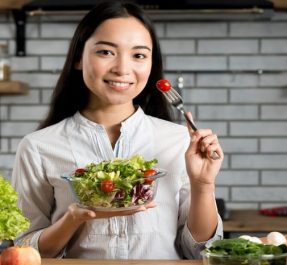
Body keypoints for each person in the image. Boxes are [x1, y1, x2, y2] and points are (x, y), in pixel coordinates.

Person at [11, 0, 224, 260]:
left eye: (139, 55)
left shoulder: (179, 140)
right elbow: (24, 252)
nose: (123, 69)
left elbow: (200, 252)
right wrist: (73, 218)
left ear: (150, 64)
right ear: (79, 57)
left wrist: (203, 185)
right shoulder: (38, 147)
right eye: (106, 52)